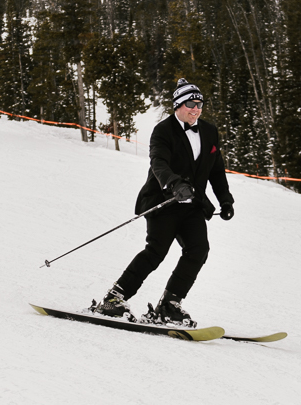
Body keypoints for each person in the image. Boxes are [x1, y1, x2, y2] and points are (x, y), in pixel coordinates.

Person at [91, 78, 234, 326]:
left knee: (198, 250)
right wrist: (175, 184)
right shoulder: (163, 130)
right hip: (164, 202)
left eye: (200, 104)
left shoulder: (209, 132)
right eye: (191, 103)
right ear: (178, 104)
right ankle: (113, 299)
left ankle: (169, 305)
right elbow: (159, 163)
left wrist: (225, 199)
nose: (196, 108)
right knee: (156, 252)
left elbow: (216, 169)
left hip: (193, 206)